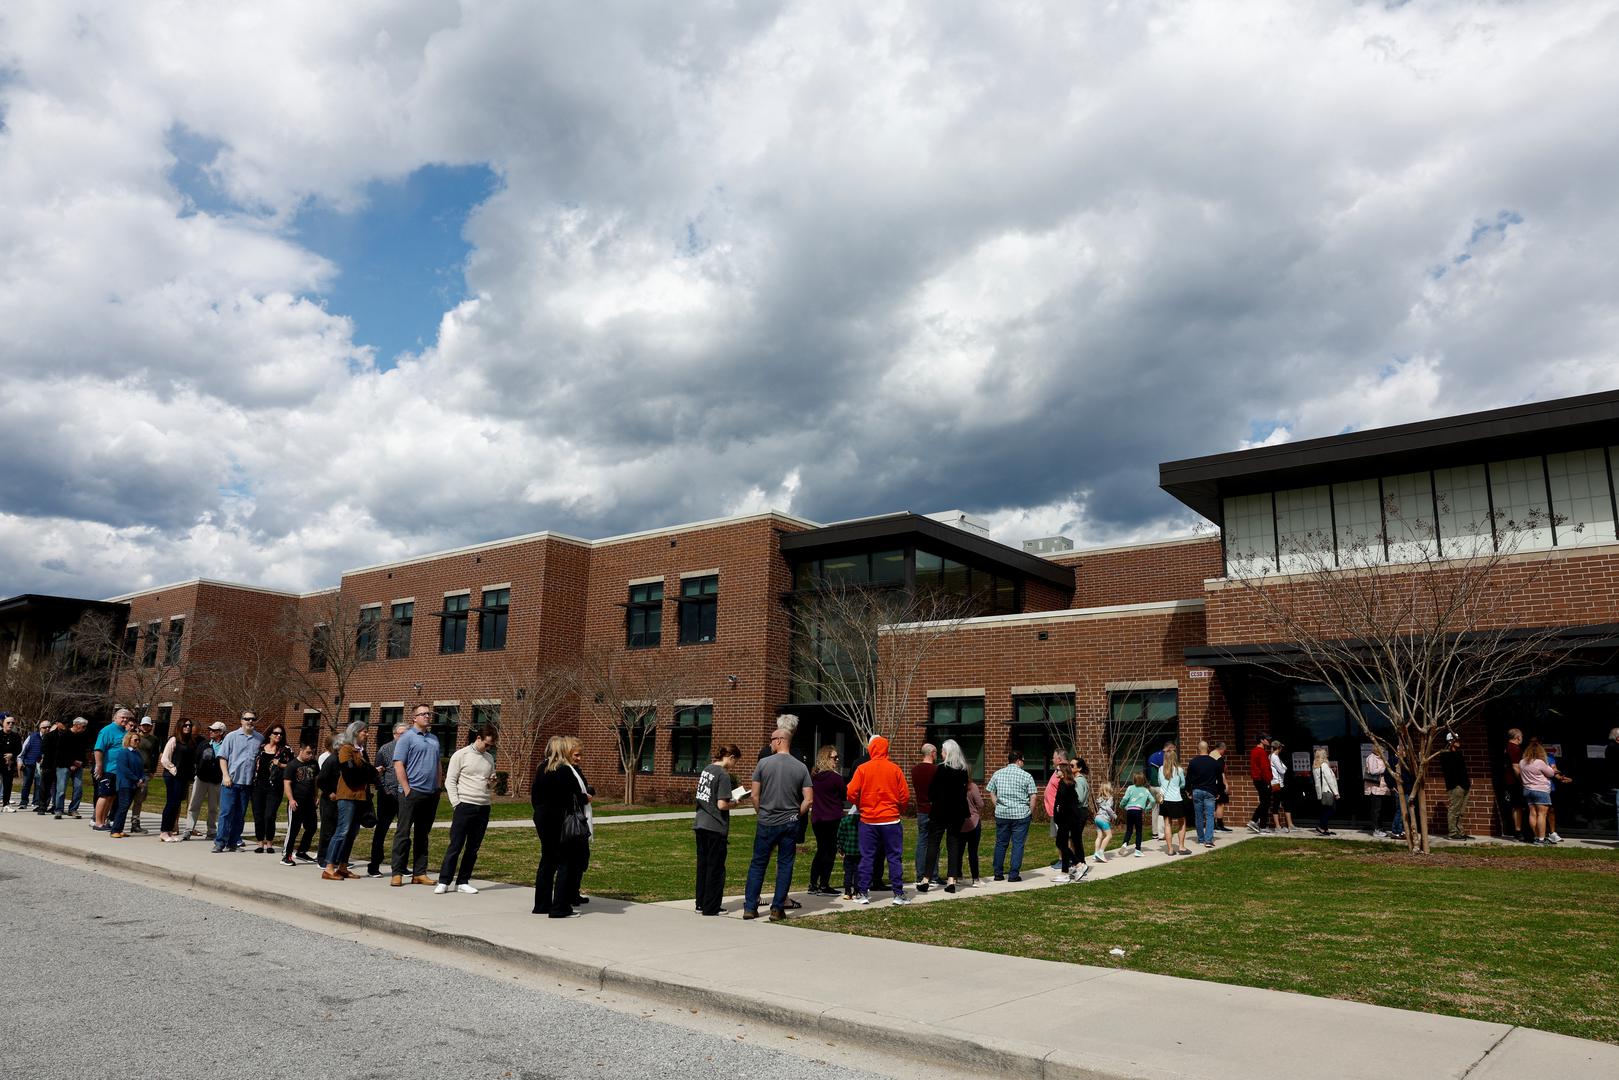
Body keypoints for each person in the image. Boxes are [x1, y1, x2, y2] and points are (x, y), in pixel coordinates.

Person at [745, 726, 816, 920]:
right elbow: (808, 799)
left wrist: (761, 812)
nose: (769, 743)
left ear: (779, 741)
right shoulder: (800, 767)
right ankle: (777, 908)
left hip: (766, 822)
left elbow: (754, 795)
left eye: (771, 739)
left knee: (758, 864)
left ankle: (750, 908)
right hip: (789, 822)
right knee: (785, 865)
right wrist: (797, 815)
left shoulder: (763, 764)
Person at [844, 734, 910, 905]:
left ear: (871, 749)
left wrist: (861, 804)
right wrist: (898, 809)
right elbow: (904, 795)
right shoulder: (894, 769)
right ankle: (898, 893)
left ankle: (863, 892)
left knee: (867, 857)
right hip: (891, 820)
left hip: (868, 820)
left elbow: (851, 792)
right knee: (894, 857)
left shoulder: (863, 769)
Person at [531, 735, 591, 919]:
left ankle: (541, 905)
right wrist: (585, 797)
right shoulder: (564, 770)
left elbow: (534, 797)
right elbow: (574, 796)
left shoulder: (542, 768)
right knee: (565, 863)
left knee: (547, 862)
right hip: (560, 822)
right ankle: (560, 907)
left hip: (542, 820)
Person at [436, 726, 499, 894]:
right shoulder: (461, 755)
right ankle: (444, 880)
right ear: (478, 738)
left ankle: (463, 881)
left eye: (491, 746)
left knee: (473, 847)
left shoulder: (489, 758)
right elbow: (450, 780)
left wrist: (492, 783)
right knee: (455, 845)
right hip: (464, 804)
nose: (488, 748)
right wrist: (456, 803)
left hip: (483, 806)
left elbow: (489, 782)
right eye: (487, 744)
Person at [390, 705, 443, 887]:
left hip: (431, 793)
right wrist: (406, 789)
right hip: (411, 793)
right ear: (414, 718)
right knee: (403, 833)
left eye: (429, 713)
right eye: (423, 714)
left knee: (423, 834)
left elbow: (438, 765)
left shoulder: (434, 739)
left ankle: (419, 872)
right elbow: (398, 764)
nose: (427, 716)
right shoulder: (407, 738)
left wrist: (438, 786)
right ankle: (397, 872)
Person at [691, 743, 742, 915]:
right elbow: (722, 804)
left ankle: (700, 903)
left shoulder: (707, 769)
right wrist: (735, 803)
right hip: (715, 826)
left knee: (703, 865)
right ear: (731, 758)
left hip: (700, 823)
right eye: (736, 762)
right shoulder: (723, 775)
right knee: (716, 868)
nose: (735, 766)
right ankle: (711, 907)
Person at [321, 724, 373, 879]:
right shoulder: (346, 749)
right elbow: (350, 774)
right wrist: (367, 772)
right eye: (364, 731)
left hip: (360, 797)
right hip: (347, 796)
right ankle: (329, 867)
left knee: (352, 833)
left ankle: (343, 866)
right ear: (356, 733)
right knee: (342, 831)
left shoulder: (361, 752)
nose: (367, 734)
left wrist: (368, 772)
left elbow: (370, 774)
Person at [926, 739, 974, 892]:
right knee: (953, 845)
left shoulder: (940, 769)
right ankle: (951, 880)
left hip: (940, 811)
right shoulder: (963, 770)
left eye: (942, 750)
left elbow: (931, 792)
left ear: (947, 752)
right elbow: (963, 792)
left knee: (933, 844)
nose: (941, 753)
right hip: (957, 813)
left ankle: (926, 878)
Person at [986, 748, 1037, 881]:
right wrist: (1030, 811)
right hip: (1021, 814)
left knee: (1001, 843)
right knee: (1018, 844)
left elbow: (991, 791)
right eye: (1023, 761)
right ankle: (1014, 874)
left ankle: (998, 873)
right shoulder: (1026, 776)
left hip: (1002, 814)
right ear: (1019, 761)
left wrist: (997, 804)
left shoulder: (998, 774)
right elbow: (1033, 796)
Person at [215, 712, 264, 852]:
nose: (250, 721)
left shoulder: (259, 738)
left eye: (253, 719)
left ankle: (233, 842)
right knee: (226, 812)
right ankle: (220, 842)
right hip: (231, 782)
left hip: (247, 783)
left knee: (240, 815)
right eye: (247, 719)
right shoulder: (231, 736)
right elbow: (222, 757)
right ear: (241, 721)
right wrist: (225, 776)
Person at [367, 721, 408, 877]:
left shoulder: (411, 749)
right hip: (387, 796)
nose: (404, 737)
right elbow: (377, 774)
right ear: (394, 734)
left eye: (407, 734)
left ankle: (401, 866)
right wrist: (385, 790)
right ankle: (374, 865)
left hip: (405, 795)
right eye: (401, 734)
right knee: (381, 831)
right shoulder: (384, 750)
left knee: (404, 832)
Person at [808, 746, 845, 897]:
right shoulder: (835, 777)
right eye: (834, 757)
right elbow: (844, 794)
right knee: (829, 851)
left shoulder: (814, 777)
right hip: (832, 818)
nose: (837, 760)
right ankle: (824, 884)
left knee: (821, 850)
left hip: (817, 818)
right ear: (826, 758)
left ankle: (813, 883)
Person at [251, 724, 291, 852]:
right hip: (258, 786)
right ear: (270, 734)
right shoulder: (260, 748)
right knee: (258, 815)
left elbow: (293, 767)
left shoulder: (286, 750)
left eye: (281, 734)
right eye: (276, 733)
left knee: (269, 815)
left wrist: (280, 764)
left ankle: (269, 842)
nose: (279, 735)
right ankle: (260, 843)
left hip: (275, 788)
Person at [92, 709, 134, 828]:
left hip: (119, 771)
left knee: (111, 797)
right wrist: (99, 766)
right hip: (108, 769)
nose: (125, 720)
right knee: (104, 795)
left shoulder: (125, 731)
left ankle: (104, 820)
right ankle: (98, 822)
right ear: (115, 718)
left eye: (127, 718)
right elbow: (98, 749)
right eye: (122, 717)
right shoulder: (107, 731)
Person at [281, 742, 320, 865]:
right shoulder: (292, 765)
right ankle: (286, 855)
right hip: (296, 801)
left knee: (312, 827)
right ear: (301, 750)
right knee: (294, 829)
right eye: (308, 753)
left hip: (309, 801)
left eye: (312, 753)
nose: (310, 756)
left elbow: (315, 781)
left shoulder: (314, 764)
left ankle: (301, 851)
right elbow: (287, 783)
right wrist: (291, 799)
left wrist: (316, 795)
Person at [184, 722, 224, 840]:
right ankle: (189, 829)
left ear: (221, 732)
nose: (211, 731)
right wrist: (195, 773)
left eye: (214, 730)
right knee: (194, 805)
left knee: (213, 807)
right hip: (201, 778)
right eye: (210, 729)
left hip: (216, 781)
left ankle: (211, 831)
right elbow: (195, 759)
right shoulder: (204, 744)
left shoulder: (226, 745)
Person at [1050, 760, 1090, 881]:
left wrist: (1058, 813)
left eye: (1057, 770)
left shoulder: (1064, 785)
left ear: (1063, 772)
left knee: (1062, 843)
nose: (1055, 771)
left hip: (1065, 819)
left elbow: (1064, 804)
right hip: (1068, 819)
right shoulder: (1068, 783)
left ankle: (1075, 866)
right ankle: (1069, 870)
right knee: (1062, 843)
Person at [157, 719, 195, 841]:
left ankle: (169, 830)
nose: (188, 727)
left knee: (176, 803)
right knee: (171, 803)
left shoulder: (189, 742)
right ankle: (163, 831)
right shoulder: (173, 740)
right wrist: (174, 770)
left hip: (183, 777)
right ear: (179, 726)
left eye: (190, 725)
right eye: (185, 725)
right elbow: (164, 759)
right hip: (172, 776)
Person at [1519, 738, 1557, 844]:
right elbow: (1551, 773)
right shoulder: (1540, 762)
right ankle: (1541, 839)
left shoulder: (1522, 762)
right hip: (1541, 790)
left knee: (1532, 813)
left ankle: (1536, 837)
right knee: (1542, 815)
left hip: (1527, 790)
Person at [911, 743, 938, 888]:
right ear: (932, 753)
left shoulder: (915, 770)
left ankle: (920, 874)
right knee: (934, 844)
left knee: (922, 842)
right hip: (934, 810)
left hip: (921, 809)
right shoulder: (937, 770)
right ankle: (932, 875)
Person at [108, 731, 145, 838]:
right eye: (135, 740)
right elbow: (124, 769)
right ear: (129, 740)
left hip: (135, 784)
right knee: (123, 807)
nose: (137, 742)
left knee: (126, 807)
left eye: (138, 740)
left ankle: (120, 829)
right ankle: (115, 830)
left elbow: (141, 768)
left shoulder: (137, 753)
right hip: (125, 784)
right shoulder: (123, 752)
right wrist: (136, 779)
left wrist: (142, 779)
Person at [1186, 743, 1221, 848]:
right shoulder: (1214, 763)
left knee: (1199, 816)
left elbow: (1188, 778)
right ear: (1208, 749)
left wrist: (1188, 791)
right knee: (1210, 815)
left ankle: (1201, 839)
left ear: (1198, 749)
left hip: (1197, 790)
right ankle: (1208, 840)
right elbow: (1219, 779)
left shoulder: (1192, 762)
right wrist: (1218, 791)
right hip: (1210, 791)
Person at [128, 716, 159, 832]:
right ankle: (115, 820)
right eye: (144, 725)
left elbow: (155, 756)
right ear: (140, 726)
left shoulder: (154, 740)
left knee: (139, 798)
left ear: (151, 726)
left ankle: (135, 823)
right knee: (126, 797)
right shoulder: (134, 737)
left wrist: (153, 771)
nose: (146, 727)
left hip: (145, 772)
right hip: (132, 770)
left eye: (148, 725)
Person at [1440, 732, 1472, 840]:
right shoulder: (1446, 755)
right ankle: (1452, 833)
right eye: (1456, 740)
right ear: (1451, 741)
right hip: (1455, 786)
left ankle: (1460, 831)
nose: (1459, 742)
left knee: (1461, 811)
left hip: (1465, 785)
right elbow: (1449, 770)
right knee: (1454, 810)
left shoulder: (1459, 753)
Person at [1043, 748, 1071, 871]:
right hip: (1054, 811)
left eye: (1053, 757)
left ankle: (1066, 860)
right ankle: (1064, 858)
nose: (1052, 760)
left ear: (1059, 759)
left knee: (1063, 837)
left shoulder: (1063, 771)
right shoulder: (1057, 771)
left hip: (1059, 811)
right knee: (1059, 837)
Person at [1159, 748, 1190, 854]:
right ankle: (1181, 847)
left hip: (1165, 800)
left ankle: (1170, 849)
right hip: (1177, 799)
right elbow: (1183, 784)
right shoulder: (1179, 770)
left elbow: (1160, 782)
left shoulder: (1160, 769)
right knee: (1182, 822)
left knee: (1167, 824)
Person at [35, 718, 68, 816]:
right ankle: (42, 806)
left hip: (60, 765)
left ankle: (56, 806)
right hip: (49, 765)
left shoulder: (66, 736)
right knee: (45, 787)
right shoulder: (49, 736)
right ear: (58, 724)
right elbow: (44, 749)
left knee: (59, 788)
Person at [1500, 728, 1528, 842]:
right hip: (1514, 782)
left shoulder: (1507, 747)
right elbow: (1515, 767)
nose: (1522, 738)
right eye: (1521, 736)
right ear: (1517, 737)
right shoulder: (1515, 748)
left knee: (1515, 807)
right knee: (1518, 807)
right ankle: (1518, 831)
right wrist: (1523, 781)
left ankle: (1518, 830)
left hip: (1508, 781)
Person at [62, 717, 91, 818]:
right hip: (66, 765)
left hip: (78, 766)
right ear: (76, 725)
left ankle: (73, 809)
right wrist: (71, 763)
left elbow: (84, 751)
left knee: (78, 788)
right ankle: (58, 808)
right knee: (61, 789)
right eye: (83, 727)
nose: (84, 729)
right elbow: (62, 752)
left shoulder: (82, 736)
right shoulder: (65, 735)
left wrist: (81, 762)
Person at [1120, 771, 1154, 855]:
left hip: (1130, 811)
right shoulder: (1145, 790)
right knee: (1139, 831)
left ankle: (1125, 843)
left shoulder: (1130, 788)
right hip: (1138, 811)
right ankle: (1138, 850)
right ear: (1143, 780)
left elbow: (1125, 799)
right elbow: (1153, 800)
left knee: (1129, 830)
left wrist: (1121, 805)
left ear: (1134, 780)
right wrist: (1147, 808)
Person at [1246, 734, 1272, 833]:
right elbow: (1264, 768)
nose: (1269, 741)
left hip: (1258, 780)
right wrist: (1269, 780)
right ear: (1261, 740)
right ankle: (1255, 821)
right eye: (1267, 739)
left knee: (1265, 802)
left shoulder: (1254, 751)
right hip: (1262, 780)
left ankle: (1262, 825)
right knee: (1266, 802)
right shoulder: (1260, 752)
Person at [962, 776, 985, 886]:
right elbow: (980, 804)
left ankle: (957, 876)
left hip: (959, 822)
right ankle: (975, 878)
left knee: (958, 851)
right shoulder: (972, 786)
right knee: (973, 852)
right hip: (973, 821)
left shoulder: (954, 786)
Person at [1363, 745, 1390, 837]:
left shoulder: (1380, 758)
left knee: (1380, 810)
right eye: (1382, 750)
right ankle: (1376, 829)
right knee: (1376, 810)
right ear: (1377, 749)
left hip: (1381, 787)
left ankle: (1380, 828)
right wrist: (1386, 768)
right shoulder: (1371, 758)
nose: (1384, 752)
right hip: (1374, 788)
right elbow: (1372, 771)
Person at [19, 720, 46, 811]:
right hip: (29, 763)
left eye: (48, 727)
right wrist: (20, 760)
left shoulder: (50, 738)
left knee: (39, 784)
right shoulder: (32, 736)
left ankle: (36, 802)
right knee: (27, 783)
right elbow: (23, 749)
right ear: (40, 728)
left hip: (41, 765)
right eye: (44, 727)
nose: (47, 729)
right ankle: (23, 802)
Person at [1311, 748, 1340, 836]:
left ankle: (1325, 829)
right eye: (1326, 754)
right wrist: (1336, 793)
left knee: (1324, 810)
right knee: (1331, 810)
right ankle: (1320, 826)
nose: (1327, 755)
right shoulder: (1324, 765)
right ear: (1323, 755)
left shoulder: (1315, 766)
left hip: (1321, 792)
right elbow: (1330, 780)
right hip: (1328, 791)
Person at [1268, 740, 1292, 832]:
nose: (1281, 749)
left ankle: (1290, 825)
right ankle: (1278, 826)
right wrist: (1284, 768)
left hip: (1278, 783)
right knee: (1277, 804)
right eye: (1281, 747)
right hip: (1277, 784)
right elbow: (1282, 770)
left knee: (1284, 803)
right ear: (1278, 748)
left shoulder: (1272, 756)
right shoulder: (1274, 757)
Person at [1091, 782, 1116, 861]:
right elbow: (1108, 808)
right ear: (1109, 789)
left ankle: (1095, 853)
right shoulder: (1110, 798)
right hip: (1103, 819)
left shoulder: (1100, 798)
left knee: (1099, 836)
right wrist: (1113, 815)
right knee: (1109, 835)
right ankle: (1101, 853)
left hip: (1097, 818)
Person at [0, 714, 20, 811]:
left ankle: (6, 804)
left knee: (8, 784)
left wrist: (12, 755)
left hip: (9, 764)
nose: (11, 724)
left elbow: (19, 749)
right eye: (8, 722)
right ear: (3, 723)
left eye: (13, 723)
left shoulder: (15, 736)